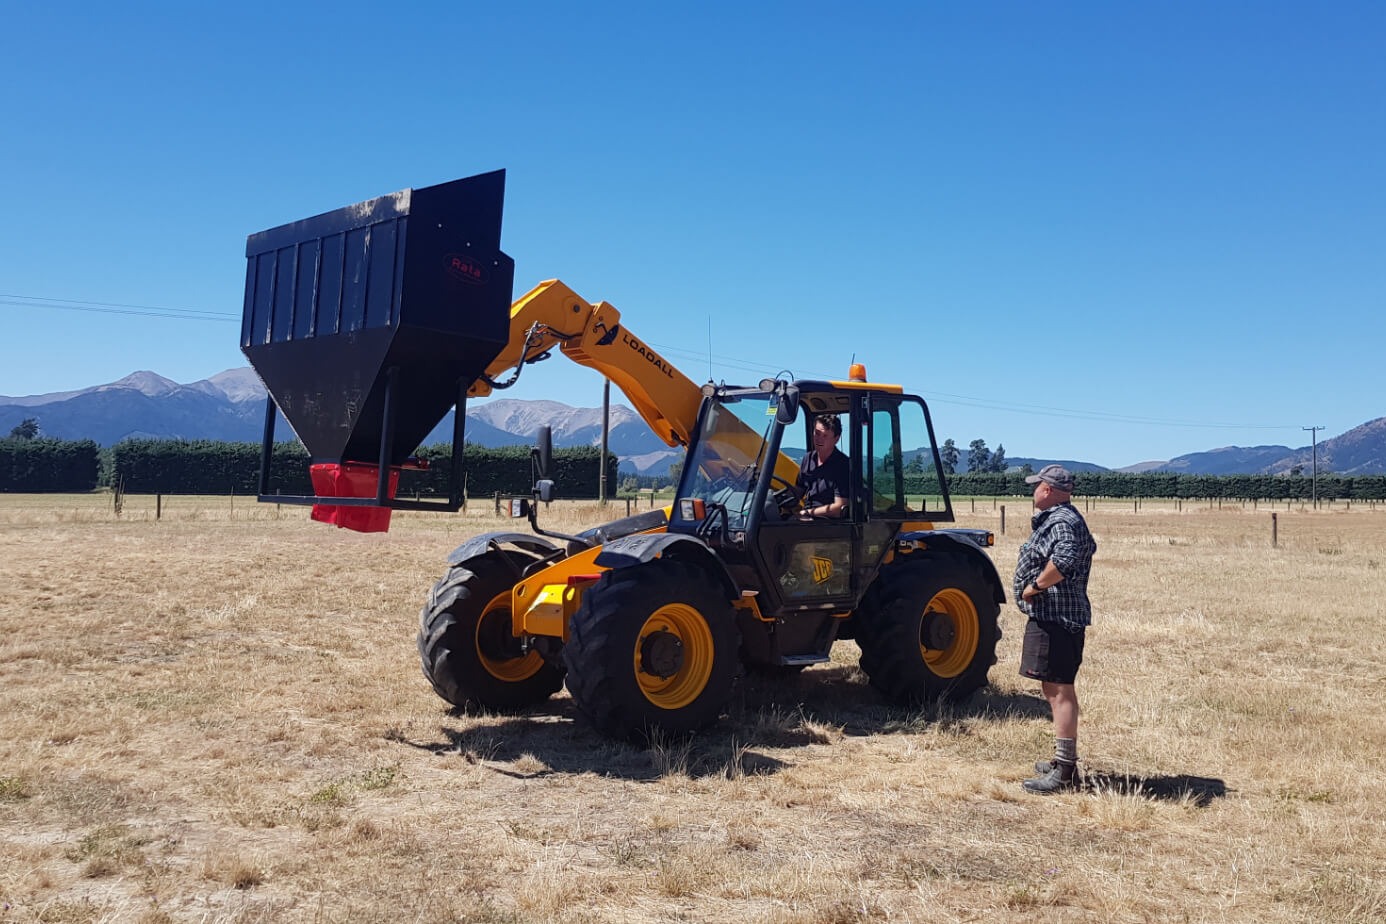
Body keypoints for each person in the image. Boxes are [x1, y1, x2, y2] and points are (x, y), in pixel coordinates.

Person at [1014, 464, 1097, 794]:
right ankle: (1062, 761)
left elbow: (1064, 558)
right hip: (1056, 616)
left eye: (1036, 486)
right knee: (1053, 687)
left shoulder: (1062, 520)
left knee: (1059, 689)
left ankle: (1064, 771)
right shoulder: (1063, 518)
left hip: (1058, 617)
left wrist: (1034, 586)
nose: (1033, 491)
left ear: (1047, 489)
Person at [796, 413, 849, 518]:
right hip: (807, 515)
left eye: (825, 436)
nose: (819, 439)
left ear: (836, 439)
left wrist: (807, 513)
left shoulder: (843, 465)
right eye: (817, 433)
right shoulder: (808, 459)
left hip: (828, 521)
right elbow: (798, 490)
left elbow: (840, 507)